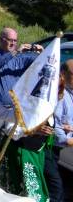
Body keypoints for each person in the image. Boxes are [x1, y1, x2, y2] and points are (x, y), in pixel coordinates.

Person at [0, 28, 51, 200]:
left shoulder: (22, 58)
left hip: (13, 111)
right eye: (10, 40)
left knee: (5, 146)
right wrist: (16, 51)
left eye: (15, 41)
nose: (13, 43)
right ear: (1, 39)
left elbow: (43, 64)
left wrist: (42, 52)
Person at [51, 59, 73, 201]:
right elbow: (55, 125)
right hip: (51, 148)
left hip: (61, 150)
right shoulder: (61, 95)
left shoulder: (70, 93)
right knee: (55, 187)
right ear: (63, 74)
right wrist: (68, 139)